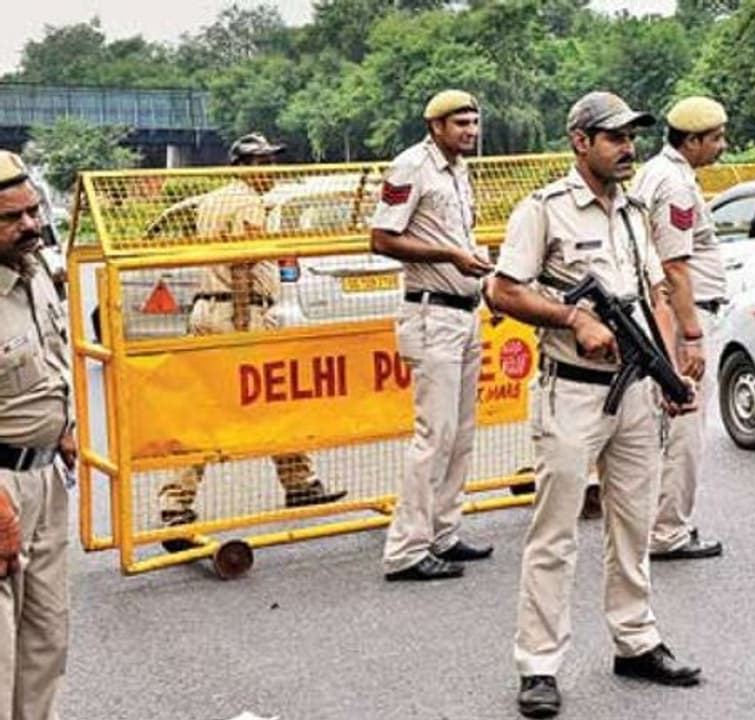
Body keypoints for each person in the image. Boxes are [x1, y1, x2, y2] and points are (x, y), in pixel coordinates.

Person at [487, 91, 702, 719]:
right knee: (554, 534)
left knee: (632, 523)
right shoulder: (544, 211)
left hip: (635, 390)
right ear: (580, 141)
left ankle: (635, 640)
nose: (627, 147)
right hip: (572, 390)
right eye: (614, 137)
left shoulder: (635, 211)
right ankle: (539, 664)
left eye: (632, 136)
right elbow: (503, 290)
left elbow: (654, 293)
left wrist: (668, 370)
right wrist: (572, 318)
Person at [157, 134, 346, 539]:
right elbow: (242, 263)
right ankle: (293, 484)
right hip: (236, 312)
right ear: (242, 166)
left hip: (207, 307)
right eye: (262, 162)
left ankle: (183, 499)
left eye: (272, 161)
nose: (271, 170)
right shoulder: (246, 203)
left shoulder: (212, 199)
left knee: (219, 405)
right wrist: (244, 325)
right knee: (267, 397)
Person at [371, 90, 495, 582]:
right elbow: (382, 239)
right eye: (460, 123)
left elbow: (461, 238)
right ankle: (406, 549)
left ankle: (443, 532)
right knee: (433, 435)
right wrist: (450, 258)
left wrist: (482, 283)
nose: (470, 130)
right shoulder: (410, 167)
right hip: (432, 315)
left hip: (464, 312)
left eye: (474, 122)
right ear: (435, 126)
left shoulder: (459, 170)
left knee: (460, 435)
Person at [632, 96, 729, 561]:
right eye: (715, 138)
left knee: (661, 424)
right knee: (685, 423)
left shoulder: (658, 172)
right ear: (690, 140)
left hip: (665, 315)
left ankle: (653, 523)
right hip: (683, 316)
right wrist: (691, 335)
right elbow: (675, 267)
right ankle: (668, 529)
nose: (722, 146)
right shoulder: (673, 186)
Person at [0, 150, 73, 719]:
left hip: (45, 475)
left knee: (47, 636)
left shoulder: (37, 273)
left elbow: (54, 357)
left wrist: (65, 429)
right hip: (1, 486)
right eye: (10, 218)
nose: (29, 225)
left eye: (32, 211)